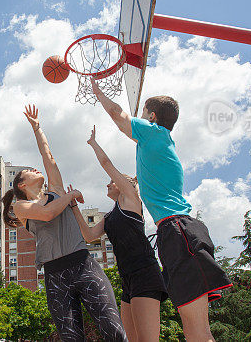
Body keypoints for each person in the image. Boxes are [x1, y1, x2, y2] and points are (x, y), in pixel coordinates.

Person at [90, 78, 232, 342]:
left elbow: (117, 115)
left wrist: (97, 91)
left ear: (152, 116)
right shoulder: (158, 148)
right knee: (196, 332)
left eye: (143, 113)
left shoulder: (153, 133)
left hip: (178, 231)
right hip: (177, 232)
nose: (139, 118)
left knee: (198, 332)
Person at [2, 104, 127, 342]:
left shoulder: (56, 189)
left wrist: (37, 128)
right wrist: (70, 196)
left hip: (83, 264)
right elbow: (48, 214)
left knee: (113, 330)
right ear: (21, 185)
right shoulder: (21, 207)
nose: (36, 169)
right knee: (71, 338)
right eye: (29, 170)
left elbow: (47, 155)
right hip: (55, 275)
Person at [71, 125, 166, 342]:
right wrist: (73, 206)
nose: (108, 182)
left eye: (112, 181)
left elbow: (106, 164)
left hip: (145, 272)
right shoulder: (109, 216)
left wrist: (93, 143)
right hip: (127, 277)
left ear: (125, 185)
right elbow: (89, 235)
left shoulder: (131, 199)